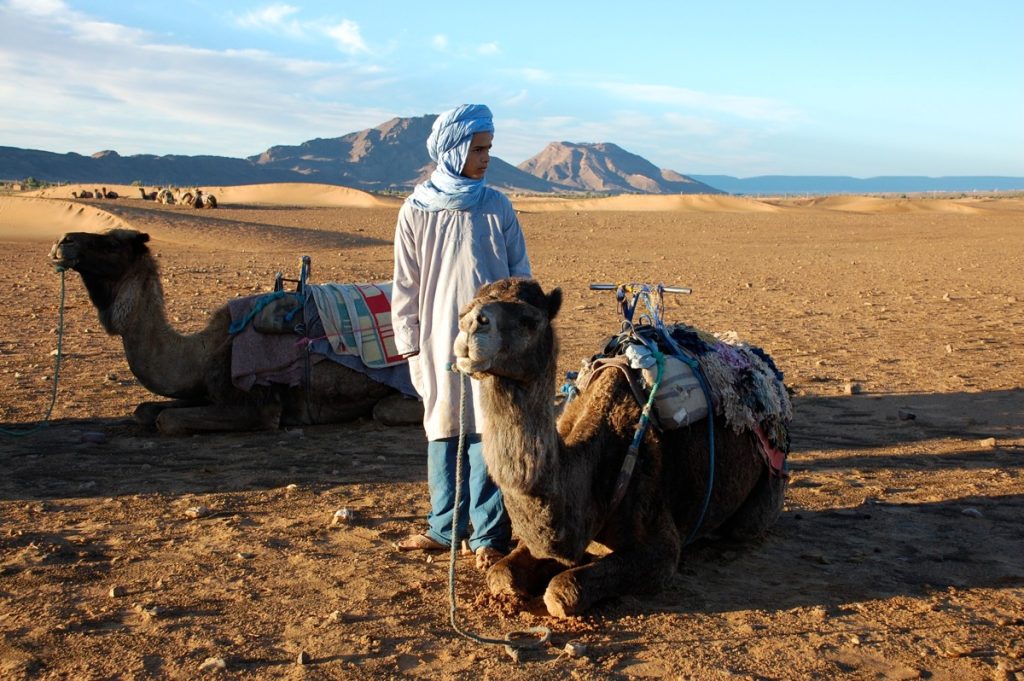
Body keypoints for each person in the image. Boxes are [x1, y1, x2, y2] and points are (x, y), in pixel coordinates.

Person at [391, 104, 531, 569]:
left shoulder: (496, 206)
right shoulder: (415, 210)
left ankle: (488, 535)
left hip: (493, 341)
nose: (486, 157)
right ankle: (444, 528)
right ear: (454, 149)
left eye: (489, 148)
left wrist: (519, 333)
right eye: (478, 149)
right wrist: (408, 340)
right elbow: (405, 283)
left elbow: (519, 279)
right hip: (434, 336)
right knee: (443, 426)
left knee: (487, 430)